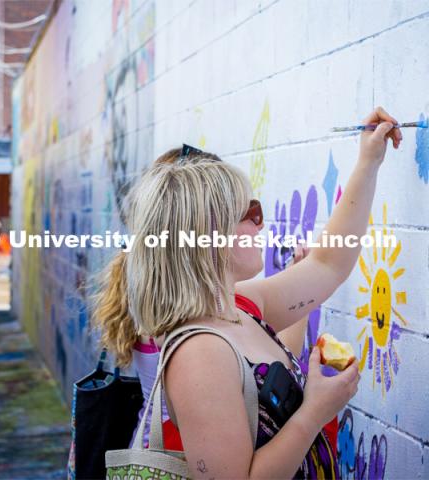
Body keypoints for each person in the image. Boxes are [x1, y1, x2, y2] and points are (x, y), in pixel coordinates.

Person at [98, 106, 401, 478]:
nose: (261, 222)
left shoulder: (241, 306)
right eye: (250, 212)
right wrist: (315, 412)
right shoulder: (199, 353)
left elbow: (328, 264)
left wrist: (368, 161)